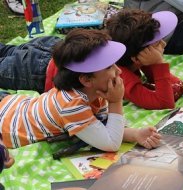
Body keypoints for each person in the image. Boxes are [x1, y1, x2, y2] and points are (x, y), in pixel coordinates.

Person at [0, 28, 161, 151]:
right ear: (86, 79)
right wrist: (116, 101)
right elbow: (111, 144)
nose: (119, 71)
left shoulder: (94, 91)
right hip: (5, 122)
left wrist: (136, 134)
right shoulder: (71, 105)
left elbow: (103, 127)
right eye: (109, 67)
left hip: (13, 105)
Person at [105, 9, 183, 110]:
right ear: (136, 58)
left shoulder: (135, 57)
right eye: (157, 43)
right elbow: (165, 103)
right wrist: (159, 63)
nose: (164, 44)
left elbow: (163, 80)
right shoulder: (120, 78)